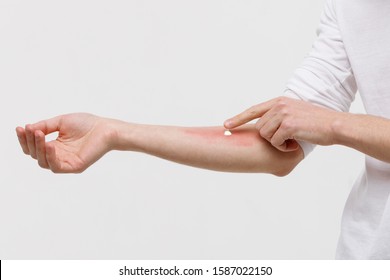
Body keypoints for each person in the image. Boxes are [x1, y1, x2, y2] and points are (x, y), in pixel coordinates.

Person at [16, 0, 390, 259]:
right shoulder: (351, 6)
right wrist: (115, 132)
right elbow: (281, 147)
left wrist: (338, 124)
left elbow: (322, 122)